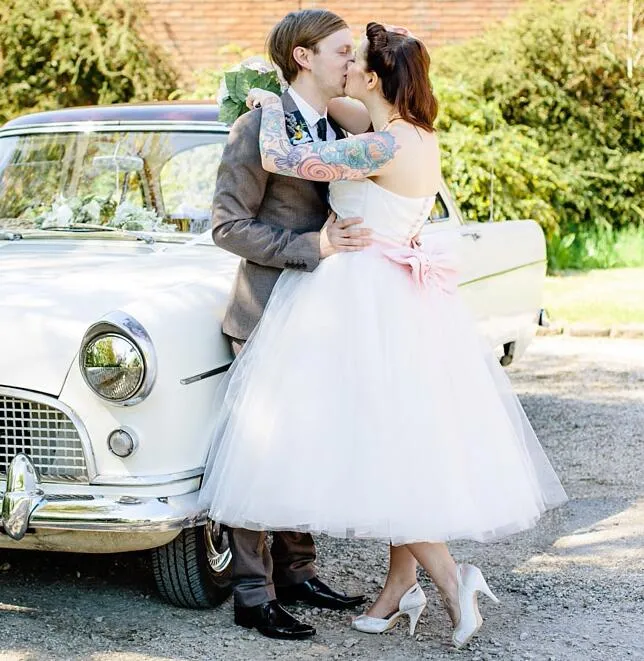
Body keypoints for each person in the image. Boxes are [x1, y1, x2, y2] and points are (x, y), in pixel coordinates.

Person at [201, 22, 568, 649]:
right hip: (371, 300)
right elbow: (297, 140)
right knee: (379, 442)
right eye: (339, 50)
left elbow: (287, 157)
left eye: (355, 56)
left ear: (373, 75)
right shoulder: (389, 125)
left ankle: (444, 579)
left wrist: (266, 111)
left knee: (373, 443)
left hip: (362, 300)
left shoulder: (380, 144)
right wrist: (268, 99)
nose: (347, 61)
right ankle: (379, 586)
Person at [204, 8, 368, 641]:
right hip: (268, 311)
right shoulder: (256, 126)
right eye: (342, 52)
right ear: (304, 57)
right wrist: (314, 249)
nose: (352, 62)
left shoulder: (336, 126)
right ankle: (252, 592)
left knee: (306, 445)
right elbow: (227, 225)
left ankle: (297, 571)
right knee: (259, 451)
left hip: (324, 318)